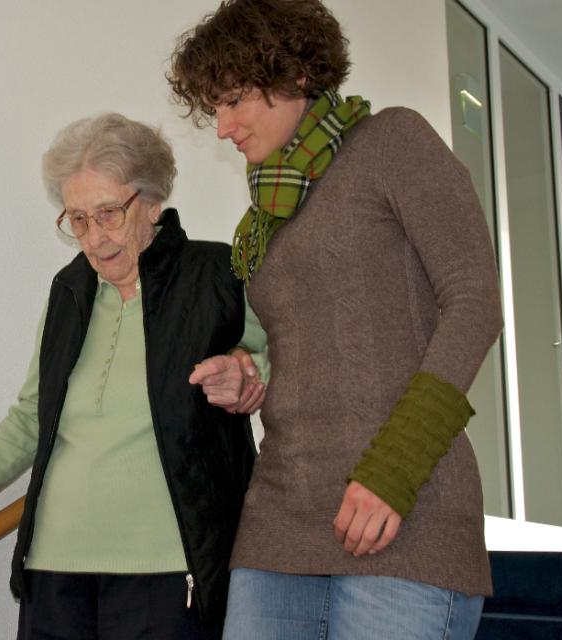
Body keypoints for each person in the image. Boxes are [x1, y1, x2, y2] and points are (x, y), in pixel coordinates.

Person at [167, 1, 504, 638]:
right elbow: (305, 339)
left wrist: (394, 471)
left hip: (405, 506)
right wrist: (249, 370)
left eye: (234, 100)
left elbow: (474, 301)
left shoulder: (392, 141)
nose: (223, 127)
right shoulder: (268, 209)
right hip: (280, 518)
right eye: (214, 108)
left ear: (294, 74)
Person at [0, 113, 269, 640]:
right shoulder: (69, 290)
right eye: (77, 219)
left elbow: (287, 363)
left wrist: (250, 371)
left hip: (168, 568)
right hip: (55, 569)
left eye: (109, 214)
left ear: (153, 201)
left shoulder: (216, 275)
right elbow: (33, 415)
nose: (95, 238)